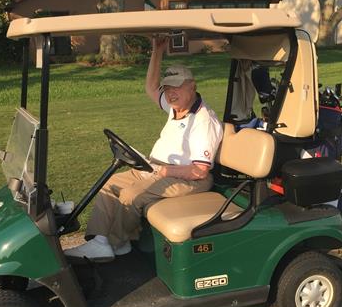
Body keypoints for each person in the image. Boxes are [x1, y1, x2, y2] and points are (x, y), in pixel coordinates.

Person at [65, 35, 223, 262]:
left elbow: (199, 171)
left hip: (188, 179)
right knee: (108, 184)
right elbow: (150, 86)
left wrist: (163, 172)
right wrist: (157, 51)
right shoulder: (176, 107)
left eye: (177, 87)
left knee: (131, 195)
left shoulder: (203, 121)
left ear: (192, 86)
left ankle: (118, 243)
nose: (171, 93)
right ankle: (99, 241)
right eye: (168, 88)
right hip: (157, 168)